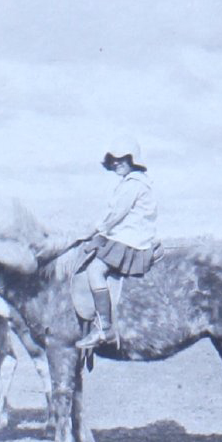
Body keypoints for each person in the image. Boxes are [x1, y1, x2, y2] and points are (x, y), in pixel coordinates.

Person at [75, 139, 159, 350]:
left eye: (122, 159)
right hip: (125, 234)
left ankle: (104, 327)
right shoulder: (133, 182)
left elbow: (115, 215)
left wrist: (93, 231)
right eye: (113, 160)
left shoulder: (133, 184)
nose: (116, 164)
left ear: (133, 160)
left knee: (95, 270)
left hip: (130, 239)